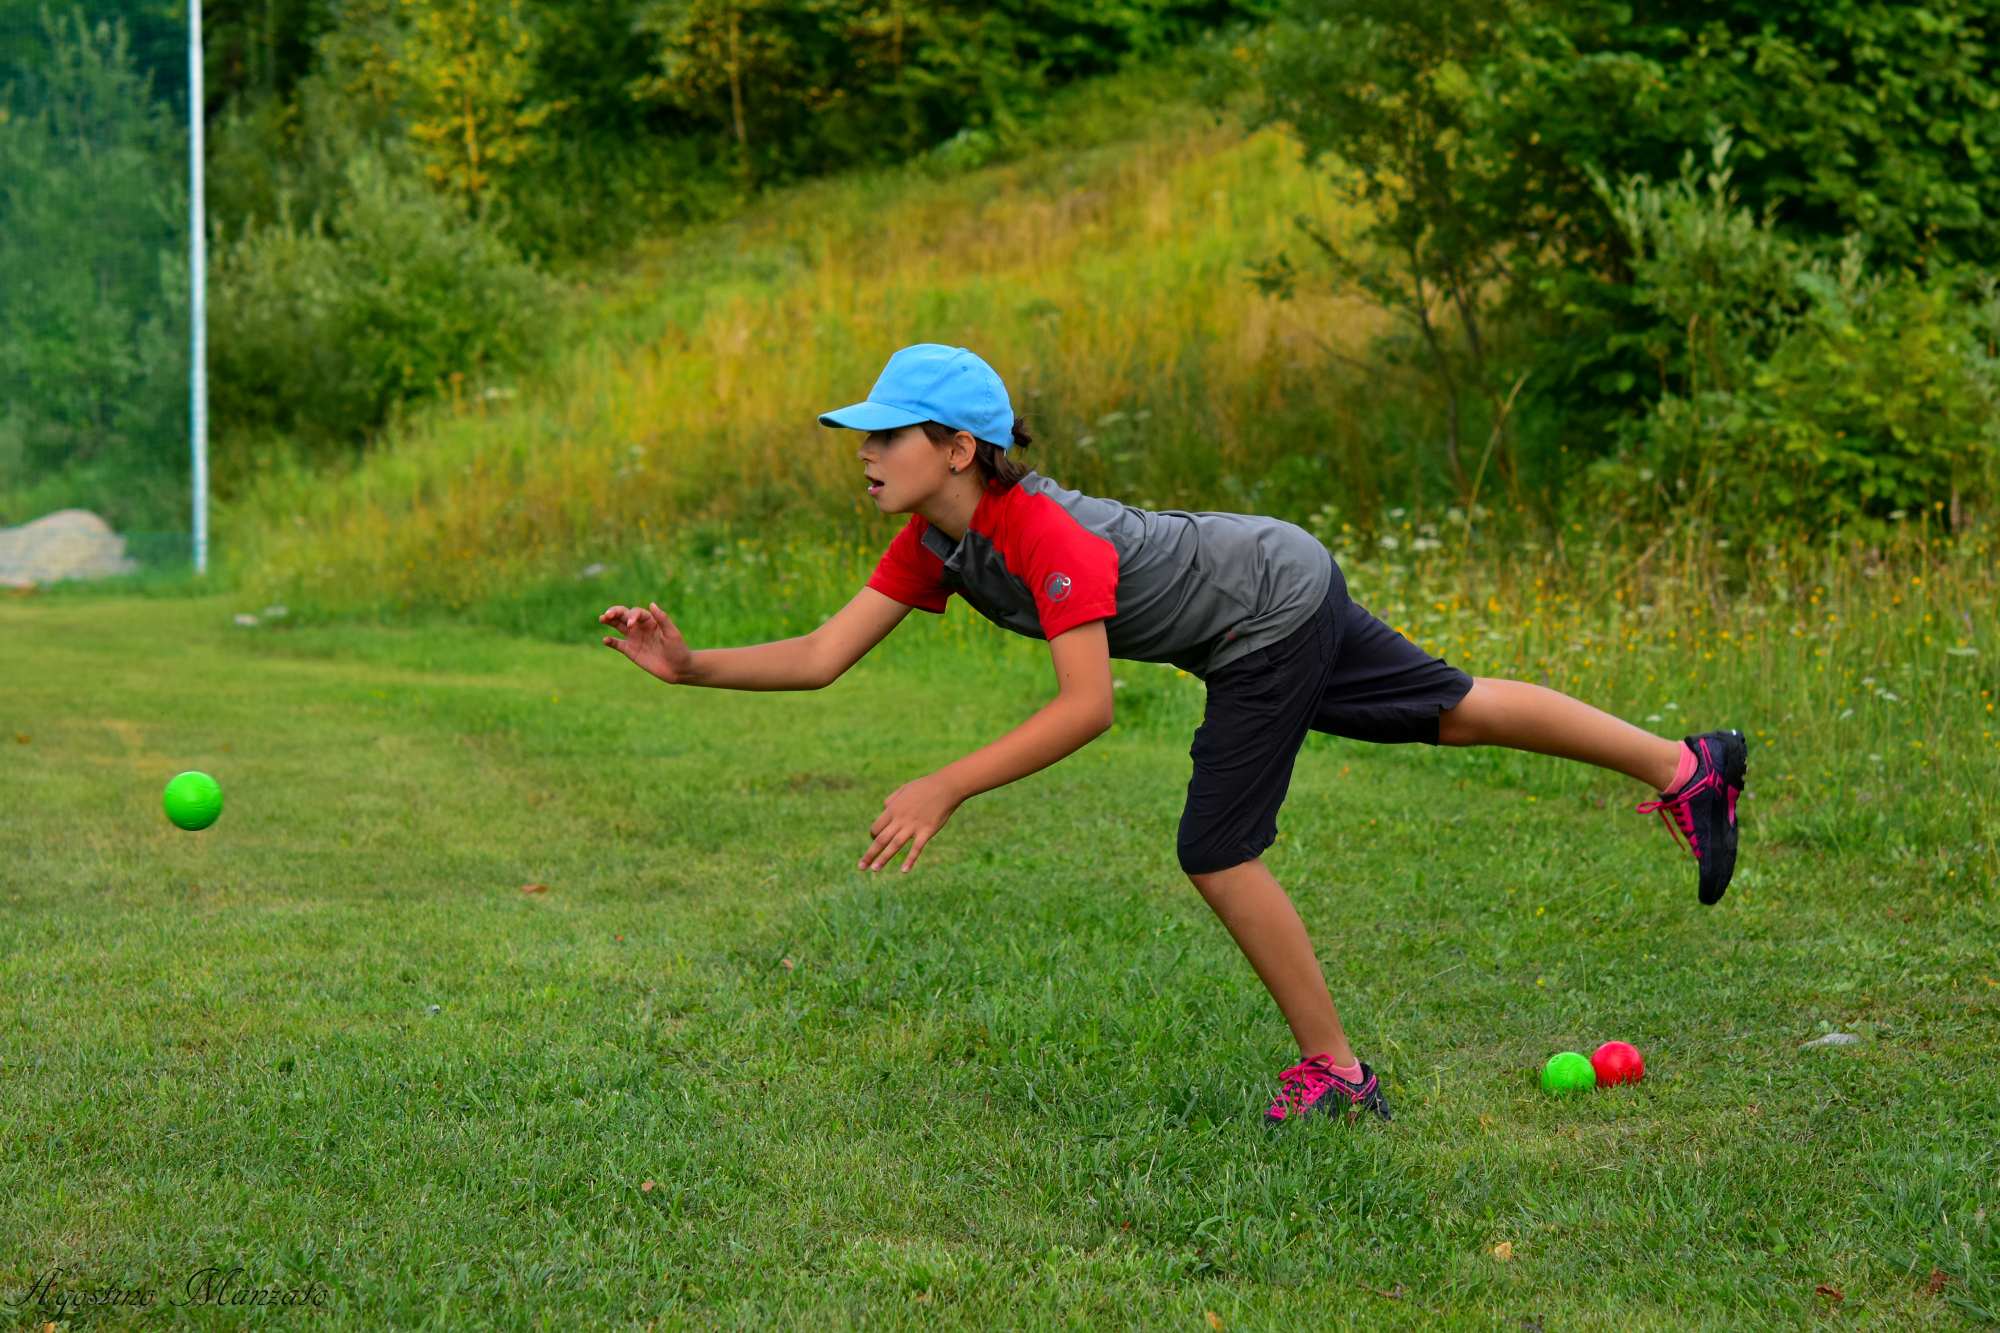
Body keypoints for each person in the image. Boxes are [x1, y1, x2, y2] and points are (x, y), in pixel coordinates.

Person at [598, 344, 1747, 1126]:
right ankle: (1684, 765)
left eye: (883, 434)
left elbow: (1084, 706)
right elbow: (817, 654)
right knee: (1447, 709)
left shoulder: (1040, 532)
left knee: (1215, 846)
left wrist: (943, 784)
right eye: (860, 433)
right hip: (1271, 574)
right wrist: (688, 664)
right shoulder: (938, 546)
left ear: (954, 447)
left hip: (1262, 614)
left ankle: (1337, 1072)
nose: (860, 450)